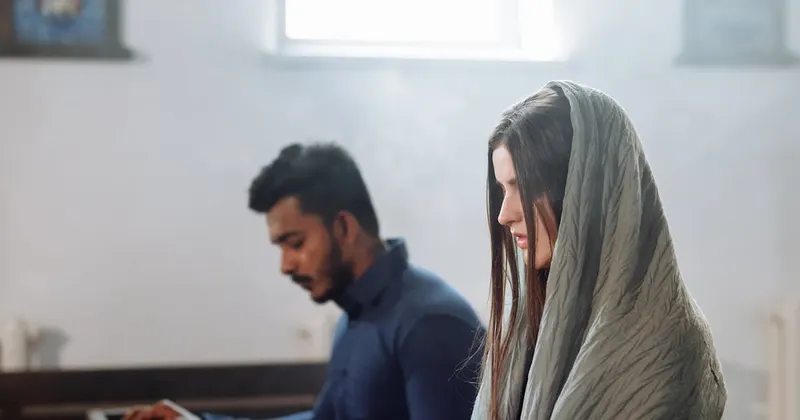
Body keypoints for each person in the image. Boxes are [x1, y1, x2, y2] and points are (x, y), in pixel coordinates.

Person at [470, 81, 727, 420]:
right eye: (503, 189)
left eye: (523, 188)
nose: (504, 214)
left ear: (583, 192)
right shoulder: (529, 327)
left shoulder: (665, 351)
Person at [247, 143, 484, 420]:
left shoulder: (431, 324)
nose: (285, 266)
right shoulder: (353, 317)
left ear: (344, 227)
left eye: (296, 244)